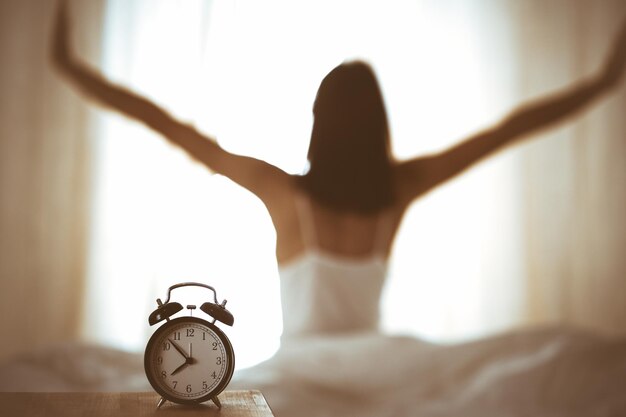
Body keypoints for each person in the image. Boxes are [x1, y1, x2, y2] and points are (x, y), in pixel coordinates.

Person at [52, 2, 626, 416]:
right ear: (380, 127)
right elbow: (507, 131)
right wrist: (600, 84)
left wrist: (77, 70)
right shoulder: (400, 188)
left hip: (300, 370)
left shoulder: (284, 193)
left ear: (318, 125)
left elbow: (175, 130)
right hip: (391, 367)